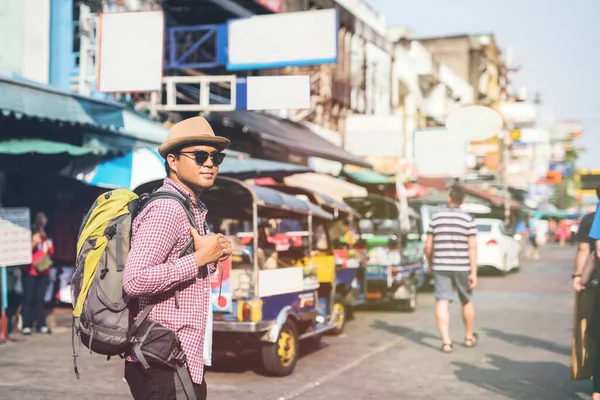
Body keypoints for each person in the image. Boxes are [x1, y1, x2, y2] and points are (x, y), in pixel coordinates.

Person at [123, 116, 233, 400]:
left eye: (215, 157)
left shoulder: (193, 206)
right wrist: (198, 259)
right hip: (160, 360)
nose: (209, 163)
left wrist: (211, 255)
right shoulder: (167, 210)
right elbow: (135, 281)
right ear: (173, 161)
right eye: (199, 156)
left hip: (179, 357)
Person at [425, 185, 478, 353]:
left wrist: (430, 261)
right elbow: (472, 247)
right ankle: (469, 338)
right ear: (463, 201)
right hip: (463, 266)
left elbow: (428, 246)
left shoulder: (436, 218)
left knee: (442, 301)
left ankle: (446, 342)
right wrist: (474, 272)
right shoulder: (468, 219)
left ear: (449, 198)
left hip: (441, 265)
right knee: (466, 300)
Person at [575, 185, 600, 399]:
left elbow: (589, 251)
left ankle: (596, 386)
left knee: (594, 333)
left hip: (594, 281)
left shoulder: (590, 218)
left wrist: (578, 277)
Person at [22, 212, 54, 335]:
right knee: (29, 298)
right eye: (39, 218)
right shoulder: (29, 233)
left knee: (40, 299)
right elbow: (24, 251)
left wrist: (46, 241)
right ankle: (27, 325)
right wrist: (34, 242)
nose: (42, 221)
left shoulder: (47, 236)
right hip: (31, 271)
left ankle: (41, 324)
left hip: (44, 271)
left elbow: (51, 251)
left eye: (44, 218)